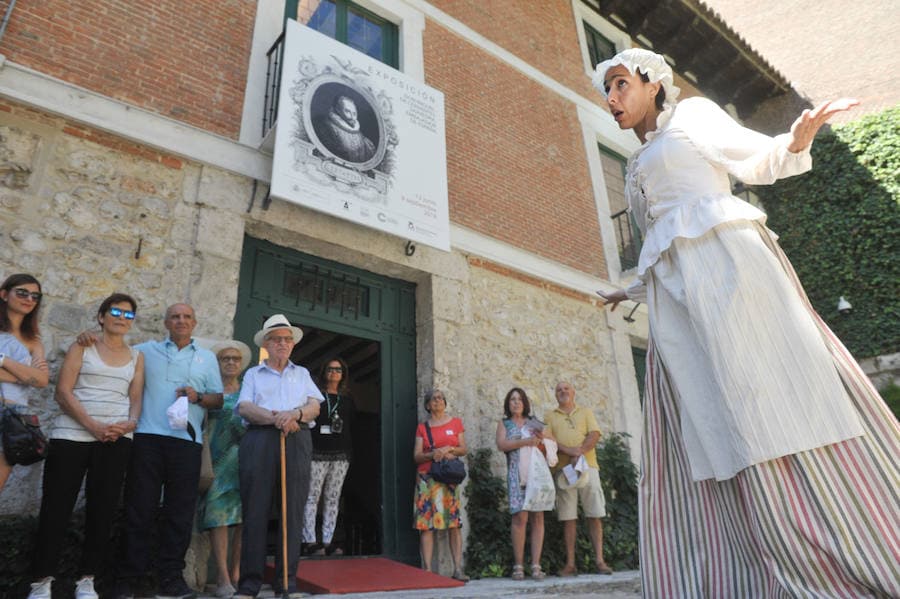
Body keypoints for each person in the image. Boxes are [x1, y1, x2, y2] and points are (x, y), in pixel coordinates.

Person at [594, 48, 900, 597]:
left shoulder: (692, 117)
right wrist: (631, 289)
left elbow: (756, 159)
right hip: (681, 308)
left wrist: (796, 138)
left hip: (732, 276)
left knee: (766, 397)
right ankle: (742, 566)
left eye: (620, 85)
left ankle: (846, 539)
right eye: (607, 92)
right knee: (713, 421)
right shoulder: (636, 165)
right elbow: (662, 246)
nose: (611, 99)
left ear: (653, 83)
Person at [79, 303, 225, 599]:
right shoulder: (144, 350)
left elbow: (219, 400)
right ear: (166, 323)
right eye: (175, 317)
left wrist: (199, 397)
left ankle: (171, 580)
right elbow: (114, 350)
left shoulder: (207, 358)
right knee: (138, 510)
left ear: (195, 323)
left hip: (187, 442)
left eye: (186, 317)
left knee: (180, 515)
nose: (181, 321)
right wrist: (90, 337)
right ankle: (128, 579)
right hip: (146, 439)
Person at [28, 293, 144, 599]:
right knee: (56, 509)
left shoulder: (136, 358)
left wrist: (128, 424)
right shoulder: (83, 345)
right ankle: (41, 582)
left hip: (116, 440)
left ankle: (87, 580)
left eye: (129, 315)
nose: (122, 318)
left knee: (102, 512)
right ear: (102, 316)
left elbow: (135, 401)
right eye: (116, 312)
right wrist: (94, 426)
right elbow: (63, 394)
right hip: (72, 436)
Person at [234, 314, 323, 599]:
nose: (283, 344)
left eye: (287, 340)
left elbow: (314, 407)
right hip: (260, 439)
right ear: (267, 345)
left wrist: (295, 415)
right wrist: (277, 419)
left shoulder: (303, 373)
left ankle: (287, 584)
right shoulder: (252, 374)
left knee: (292, 511)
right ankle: (249, 585)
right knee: (255, 511)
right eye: (277, 340)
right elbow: (245, 408)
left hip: (296, 439)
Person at [198, 339, 252, 598]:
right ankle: (222, 576)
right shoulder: (208, 391)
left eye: (235, 359)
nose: (231, 362)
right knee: (218, 516)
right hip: (217, 462)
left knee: (244, 519)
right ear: (217, 363)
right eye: (225, 358)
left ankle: (238, 572)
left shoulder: (250, 390)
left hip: (246, 460)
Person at [544, 381, 612, 576]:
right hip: (565, 470)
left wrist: (580, 452)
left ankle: (600, 561)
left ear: (573, 392)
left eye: (566, 389)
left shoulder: (586, 412)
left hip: (588, 467)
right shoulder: (550, 416)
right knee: (568, 517)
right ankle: (570, 564)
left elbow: (594, 434)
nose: (563, 392)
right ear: (555, 395)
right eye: (559, 390)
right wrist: (569, 451)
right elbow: (548, 440)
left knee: (595, 514)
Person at [495, 387, 554, 581]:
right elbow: (502, 445)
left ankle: (536, 565)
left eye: (519, 399)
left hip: (536, 475)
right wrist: (526, 441)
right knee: (519, 518)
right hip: (516, 475)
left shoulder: (533, 422)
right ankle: (518, 565)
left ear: (525, 403)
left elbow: (552, 440)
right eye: (512, 399)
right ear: (508, 404)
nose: (516, 402)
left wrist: (541, 437)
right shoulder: (504, 424)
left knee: (538, 518)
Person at [412, 389, 469, 581]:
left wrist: (450, 449)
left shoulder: (456, 423)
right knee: (426, 525)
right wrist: (432, 454)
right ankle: (427, 570)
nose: (438, 400)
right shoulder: (422, 427)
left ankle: (458, 569)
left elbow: (463, 449)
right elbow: (417, 455)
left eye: (441, 398)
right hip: (427, 479)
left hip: (448, 479)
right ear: (427, 405)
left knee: (454, 524)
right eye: (433, 399)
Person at [0, 274, 50, 493]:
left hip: (14, 417)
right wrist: (24, 375)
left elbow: (41, 380)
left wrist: (3, 361)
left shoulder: (34, 341)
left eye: (35, 296)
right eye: (22, 292)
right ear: (4, 294)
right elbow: (33, 376)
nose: (29, 298)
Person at [302, 356, 356, 556]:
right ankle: (309, 540)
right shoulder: (315, 397)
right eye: (331, 369)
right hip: (317, 452)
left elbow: (352, 426)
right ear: (324, 372)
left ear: (343, 375)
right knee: (312, 496)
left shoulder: (348, 400)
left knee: (333, 497)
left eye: (339, 370)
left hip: (341, 453)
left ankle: (328, 540)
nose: (334, 373)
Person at [314, 95, 377, 163]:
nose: (352, 117)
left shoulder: (363, 139)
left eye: (354, 113)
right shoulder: (326, 127)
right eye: (347, 112)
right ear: (338, 110)